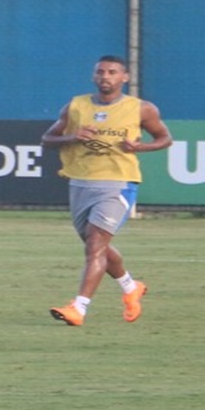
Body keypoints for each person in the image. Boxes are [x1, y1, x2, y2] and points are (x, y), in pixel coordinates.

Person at [41, 55, 172, 326]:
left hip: (118, 183)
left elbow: (164, 138)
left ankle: (79, 307)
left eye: (112, 72)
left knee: (96, 246)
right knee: (96, 246)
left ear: (124, 77)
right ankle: (130, 287)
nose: (105, 76)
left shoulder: (141, 109)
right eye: (100, 72)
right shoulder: (76, 106)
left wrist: (141, 147)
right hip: (80, 183)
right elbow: (47, 139)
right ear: (93, 76)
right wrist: (72, 137)